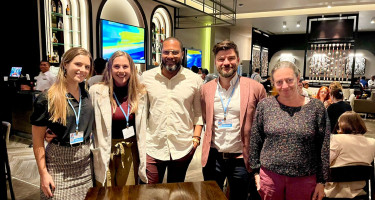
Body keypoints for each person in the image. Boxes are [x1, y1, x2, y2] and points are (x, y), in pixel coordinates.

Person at [250, 61, 330, 200]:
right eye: (279, 82)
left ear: (298, 79)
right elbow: (255, 139)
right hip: (270, 178)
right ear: (273, 83)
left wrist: (322, 181)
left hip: (304, 179)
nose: (285, 86)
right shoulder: (265, 106)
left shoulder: (316, 108)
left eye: (289, 80)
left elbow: (324, 146)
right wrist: (256, 172)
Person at [201, 40, 266, 200]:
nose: (226, 63)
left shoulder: (255, 88)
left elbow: (264, 125)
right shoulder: (206, 89)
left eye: (230, 58)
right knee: (211, 197)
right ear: (215, 62)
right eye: (221, 59)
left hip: (241, 160)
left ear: (237, 59)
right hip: (213, 158)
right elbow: (204, 119)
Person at [30, 47, 94, 199]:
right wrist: (43, 173)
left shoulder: (87, 93)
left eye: (87, 66)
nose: (82, 70)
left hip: (85, 167)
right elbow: (37, 141)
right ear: (65, 64)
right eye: (77, 64)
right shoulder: (47, 98)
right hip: (58, 166)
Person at [141, 37, 203, 184]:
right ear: (161, 54)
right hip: (153, 145)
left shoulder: (194, 80)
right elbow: (142, 111)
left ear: (182, 54)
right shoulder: (146, 77)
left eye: (175, 52)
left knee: (176, 192)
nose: (170, 56)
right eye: (166, 52)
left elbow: (198, 113)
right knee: (149, 193)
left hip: (182, 146)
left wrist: (196, 139)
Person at [89, 51, 148, 186]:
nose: (121, 71)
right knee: (105, 191)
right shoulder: (96, 91)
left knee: (127, 192)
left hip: (129, 149)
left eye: (125, 67)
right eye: (116, 67)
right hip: (104, 148)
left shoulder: (140, 92)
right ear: (109, 69)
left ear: (132, 69)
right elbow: (86, 118)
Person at [325, 111, 375, 198]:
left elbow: (323, 163)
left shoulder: (336, 140)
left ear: (341, 125)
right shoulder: (372, 142)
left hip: (333, 193)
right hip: (359, 193)